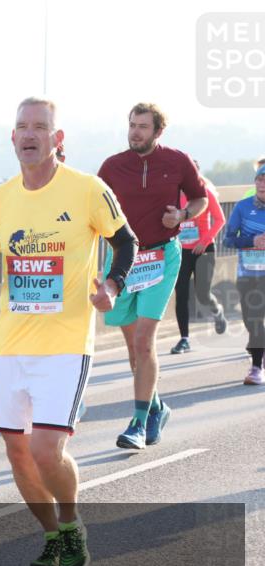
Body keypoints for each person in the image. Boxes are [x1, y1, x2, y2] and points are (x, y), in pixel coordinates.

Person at [0, 97, 137, 566]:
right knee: (16, 449)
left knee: (45, 448)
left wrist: (112, 284)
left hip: (65, 344)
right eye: (22, 126)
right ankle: (52, 536)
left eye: (40, 126)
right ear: (13, 137)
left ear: (57, 138)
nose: (30, 134)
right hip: (13, 344)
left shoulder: (86, 189)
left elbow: (126, 241)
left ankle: (71, 521)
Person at [98, 103, 208, 450]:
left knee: (145, 341)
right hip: (123, 261)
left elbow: (200, 198)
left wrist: (182, 215)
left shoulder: (177, 160)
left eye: (143, 126)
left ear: (158, 131)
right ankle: (157, 407)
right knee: (134, 350)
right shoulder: (112, 166)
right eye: (132, 125)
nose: (135, 132)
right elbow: (90, 206)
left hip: (162, 256)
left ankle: (137, 423)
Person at [171, 160, 228, 354]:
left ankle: (217, 311)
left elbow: (220, 219)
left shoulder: (205, 192)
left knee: (203, 294)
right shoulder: (172, 195)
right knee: (181, 293)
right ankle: (184, 339)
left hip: (204, 249)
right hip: (181, 251)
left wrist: (204, 241)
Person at [223, 164, 265, 385]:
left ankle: (256, 367)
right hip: (247, 273)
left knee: (258, 318)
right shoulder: (242, 207)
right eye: (259, 179)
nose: (262, 184)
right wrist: (252, 241)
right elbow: (228, 240)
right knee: (251, 318)